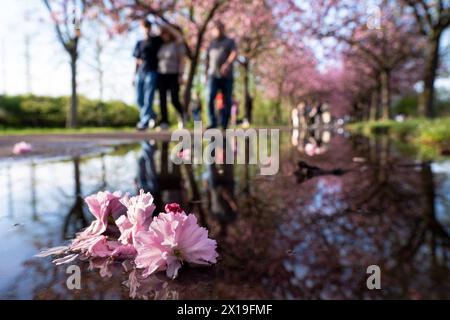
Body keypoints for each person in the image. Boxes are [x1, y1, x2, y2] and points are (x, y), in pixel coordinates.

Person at [205, 21, 238, 129]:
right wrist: (205, 73)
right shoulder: (211, 43)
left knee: (226, 100)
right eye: (216, 28)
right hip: (212, 74)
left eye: (220, 28)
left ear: (224, 29)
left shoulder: (230, 41)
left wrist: (227, 64)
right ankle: (212, 122)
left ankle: (224, 124)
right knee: (209, 97)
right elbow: (207, 59)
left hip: (226, 76)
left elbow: (234, 53)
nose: (218, 30)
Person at [133, 19, 163, 131]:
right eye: (143, 27)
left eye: (147, 27)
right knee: (138, 99)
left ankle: (144, 122)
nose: (146, 29)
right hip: (140, 73)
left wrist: (158, 19)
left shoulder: (156, 40)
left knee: (148, 98)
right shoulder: (139, 43)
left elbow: (172, 35)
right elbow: (137, 60)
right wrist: (134, 75)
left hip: (152, 72)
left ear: (150, 28)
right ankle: (153, 115)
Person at [157, 25, 186, 130]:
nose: (164, 36)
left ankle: (182, 115)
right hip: (161, 74)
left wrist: (181, 74)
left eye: (166, 33)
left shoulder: (176, 44)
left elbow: (182, 60)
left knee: (174, 99)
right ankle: (164, 121)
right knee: (162, 99)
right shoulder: (160, 45)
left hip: (173, 74)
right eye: (162, 34)